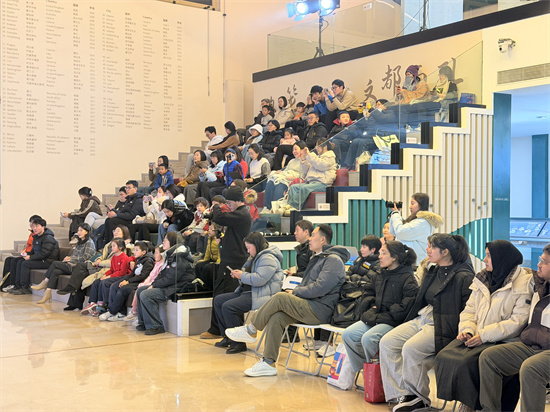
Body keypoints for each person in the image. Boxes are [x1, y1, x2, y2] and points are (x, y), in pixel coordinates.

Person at [225, 224, 349, 377]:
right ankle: (268, 363)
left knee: (280, 297)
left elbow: (320, 288)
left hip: (320, 310)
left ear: (323, 240)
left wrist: (295, 292)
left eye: (313, 236)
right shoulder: (317, 258)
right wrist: (296, 291)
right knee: (277, 317)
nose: (310, 239)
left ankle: (251, 330)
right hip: (310, 305)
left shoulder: (333, 261)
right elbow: (308, 285)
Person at [379, 233, 475, 412]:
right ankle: (404, 395)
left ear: (445, 252)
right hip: (423, 316)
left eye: (432, 247)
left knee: (411, 348)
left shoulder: (464, 276)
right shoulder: (433, 270)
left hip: (443, 324)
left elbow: (469, 310)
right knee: (387, 342)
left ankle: (419, 398)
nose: (428, 249)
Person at [434, 240, 533, 411]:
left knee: (467, 363)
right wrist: (467, 330)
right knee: (444, 356)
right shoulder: (482, 279)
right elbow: (469, 310)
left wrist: (484, 336)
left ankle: (472, 405)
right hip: (477, 335)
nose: (484, 259)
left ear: (501, 259)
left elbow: (517, 322)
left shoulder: (524, 283)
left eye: (488, 256)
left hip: (503, 340)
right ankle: (466, 401)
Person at [479, 244, 550, 412]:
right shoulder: (538, 284)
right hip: (533, 344)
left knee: (531, 368)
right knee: (488, 357)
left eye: (545, 262)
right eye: (540, 260)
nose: (538, 264)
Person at [342, 240, 418, 373]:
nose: (379, 256)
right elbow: (367, 294)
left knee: (369, 338)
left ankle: (379, 374)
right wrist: (371, 307)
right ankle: (366, 371)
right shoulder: (380, 274)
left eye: (384, 253)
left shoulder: (408, 279)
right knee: (348, 334)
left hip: (393, 321)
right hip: (377, 316)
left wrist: (385, 312)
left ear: (394, 257)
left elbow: (406, 307)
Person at [213, 232, 284, 354]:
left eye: (249, 248)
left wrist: (242, 275)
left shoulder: (268, 258)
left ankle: (238, 343)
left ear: (256, 245)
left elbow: (260, 279)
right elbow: (249, 275)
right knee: (218, 300)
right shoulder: (255, 257)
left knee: (229, 307)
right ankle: (229, 337)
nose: (248, 251)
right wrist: (239, 275)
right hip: (249, 292)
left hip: (261, 295)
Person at [199, 186, 252, 340]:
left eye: (229, 202)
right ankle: (221, 331)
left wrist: (216, 205)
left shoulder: (242, 214)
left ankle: (230, 334)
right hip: (229, 260)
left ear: (237, 201)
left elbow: (220, 218)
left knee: (228, 297)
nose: (228, 205)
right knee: (220, 295)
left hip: (234, 262)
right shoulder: (238, 214)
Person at [59, 225, 134, 311]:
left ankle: (74, 291)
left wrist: (100, 263)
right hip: (101, 267)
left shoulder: (126, 247)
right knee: (80, 273)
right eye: (115, 231)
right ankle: (75, 301)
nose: (115, 233)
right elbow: (104, 256)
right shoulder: (109, 244)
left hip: (106, 268)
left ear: (125, 233)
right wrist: (99, 259)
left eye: (118, 231)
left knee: (81, 268)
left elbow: (121, 262)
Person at [135, 232, 195, 335]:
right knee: (140, 290)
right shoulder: (171, 254)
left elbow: (172, 278)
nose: (163, 241)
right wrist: (153, 283)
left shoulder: (180, 256)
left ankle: (156, 326)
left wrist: (154, 285)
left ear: (172, 241)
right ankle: (143, 322)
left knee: (146, 294)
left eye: (166, 239)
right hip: (170, 285)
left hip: (178, 286)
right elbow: (162, 274)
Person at [31, 223, 96, 304]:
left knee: (55, 263)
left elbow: (86, 258)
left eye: (81, 230)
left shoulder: (89, 242)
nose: (78, 232)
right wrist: (69, 258)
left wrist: (71, 259)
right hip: (72, 264)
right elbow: (75, 255)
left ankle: (45, 281)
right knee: (55, 272)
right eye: (78, 230)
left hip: (79, 268)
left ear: (86, 232)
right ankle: (47, 293)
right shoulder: (80, 242)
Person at [99, 240, 155, 321]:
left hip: (141, 281)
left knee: (123, 289)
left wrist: (128, 281)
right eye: (134, 250)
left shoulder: (148, 261)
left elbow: (143, 276)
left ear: (143, 252)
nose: (134, 252)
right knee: (115, 285)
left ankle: (114, 312)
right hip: (134, 279)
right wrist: (125, 279)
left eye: (137, 250)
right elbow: (132, 273)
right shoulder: (138, 259)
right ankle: (114, 310)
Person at [80, 238, 133, 316]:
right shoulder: (114, 257)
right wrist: (106, 275)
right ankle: (98, 304)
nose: (112, 248)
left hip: (122, 276)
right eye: (111, 246)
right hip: (115, 275)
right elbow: (111, 270)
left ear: (120, 247)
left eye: (114, 246)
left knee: (105, 282)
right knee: (99, 281)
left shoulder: (124, 257)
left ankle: (105, 304)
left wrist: (109, 277)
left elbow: (122, 272)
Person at [9, 217, 60, 295]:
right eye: (33, 226)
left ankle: (25, 287)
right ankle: (18, 286)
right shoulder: (36, 237)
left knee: (25, 264)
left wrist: (30, 257)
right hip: (41, 259)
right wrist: (26, 254)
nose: (34, 228)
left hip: (48, 261)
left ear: (43, 227)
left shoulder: (48, 238)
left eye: (37, 226)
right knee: (20, 261)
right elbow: (33, 251)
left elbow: (44, 254)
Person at [389, 193, 443, 262]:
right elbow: (393, 232)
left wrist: (396, 213)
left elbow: (400, 232)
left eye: (412, 203)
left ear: (421, 204)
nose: (410, 207)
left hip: (415, 262)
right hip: (408, 261)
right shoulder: (416, 221)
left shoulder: (422, 223)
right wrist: (396, 213)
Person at [288, 137, 337, 211]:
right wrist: (304, 160)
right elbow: (306, 171)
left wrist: (309, 155)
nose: (316, 148)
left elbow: (321, 166)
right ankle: (288, 206)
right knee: (293, 187)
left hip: (323, 184)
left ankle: (294, 208)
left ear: (325, 146)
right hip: (312, 183)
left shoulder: (330, 157)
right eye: (316, 146)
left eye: (318, 146)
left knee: (304, 188)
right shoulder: (316, 157)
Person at [123, 245, 165, 322]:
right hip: (149, 282)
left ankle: (137, 314)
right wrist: (145, 283)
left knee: (140, 291)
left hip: (154, 284)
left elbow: (156, 279)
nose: (154, 255)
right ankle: (137, 314)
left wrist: (148, 284)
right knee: (138, 288)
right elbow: (150, 276)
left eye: (156, 253)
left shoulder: (162, 264)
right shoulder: (157, 263)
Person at [260, 142, 305, 212]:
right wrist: (280, 172)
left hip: (293, 180)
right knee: (271, 182)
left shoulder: (305, 162)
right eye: (293, 150)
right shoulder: (292, 161)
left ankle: (276, 208)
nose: (294, 152)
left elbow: (304, 175)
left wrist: (294, 178)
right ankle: (267, 207)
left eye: (296, 149)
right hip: (285, 176)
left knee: (280, 184)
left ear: (302, 150)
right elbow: (286, 170)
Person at [1, 214, 41, 292]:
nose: (31, 224)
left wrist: (27, 254)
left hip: (32, 255)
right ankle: (5, 283)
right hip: (27, 253)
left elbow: (34, 248)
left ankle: (15, 284)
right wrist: (24, 251)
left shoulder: (38, 235)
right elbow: (28, 246)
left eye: (33, 223)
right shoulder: (32, 233)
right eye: (31, 222)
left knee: (15, 261)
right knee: (8, 259)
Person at [194, 223, 221, 292]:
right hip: (211, 259)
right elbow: (208, 251)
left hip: (218, 261)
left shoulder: (220, 239)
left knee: (207, 267)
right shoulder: (210, 238)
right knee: (198, 265)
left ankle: (207, 287)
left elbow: (220, 252)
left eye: (211, 229)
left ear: (217, 230)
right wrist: (205, 260)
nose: (209, 231)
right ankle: (199, 284)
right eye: (209, 229)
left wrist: (217, 262)